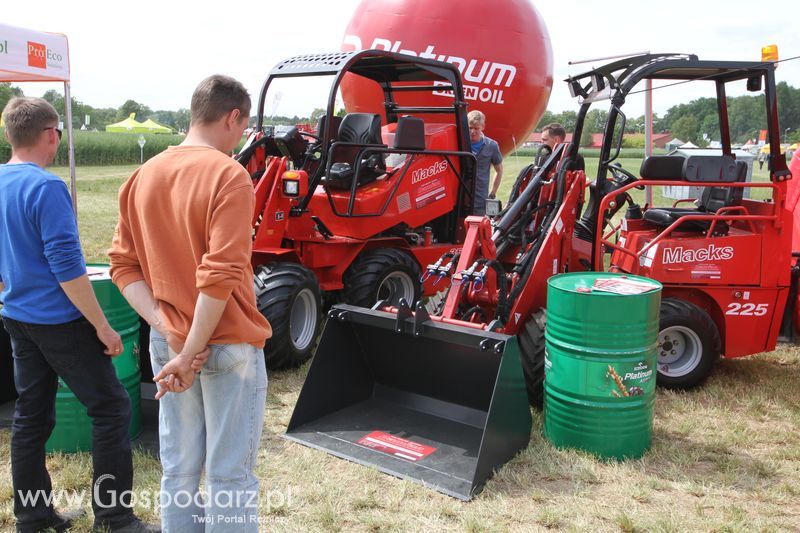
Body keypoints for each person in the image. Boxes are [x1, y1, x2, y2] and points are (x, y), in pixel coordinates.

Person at [108, 75, 271, 532]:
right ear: (233, 116)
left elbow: (123, 267)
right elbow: (218, 278)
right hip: (223, 344)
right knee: (229, 477)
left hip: (170, 343)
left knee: (178, 469)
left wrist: (173, 333)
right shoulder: (229, 175)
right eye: (242, 128)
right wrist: (189, 349)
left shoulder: (142, 176)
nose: (240, 138)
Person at [0, 97, 157, 533]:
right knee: (110, 408)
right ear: (51, 134)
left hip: (16, 316)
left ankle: (32, 517)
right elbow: (68, 267)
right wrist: (102, 326)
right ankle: (115, 517)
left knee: (31, 418)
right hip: (58, 321)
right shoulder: (46, 187)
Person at [467, 110, 503, 214]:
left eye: (476, 128)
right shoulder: (459, 142)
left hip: (480, 198)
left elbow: (499, 170)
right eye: (470, 128)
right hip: (460, 195)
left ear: (483, 127)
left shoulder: (492, 145)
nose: (473, 131)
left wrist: (493, 192)